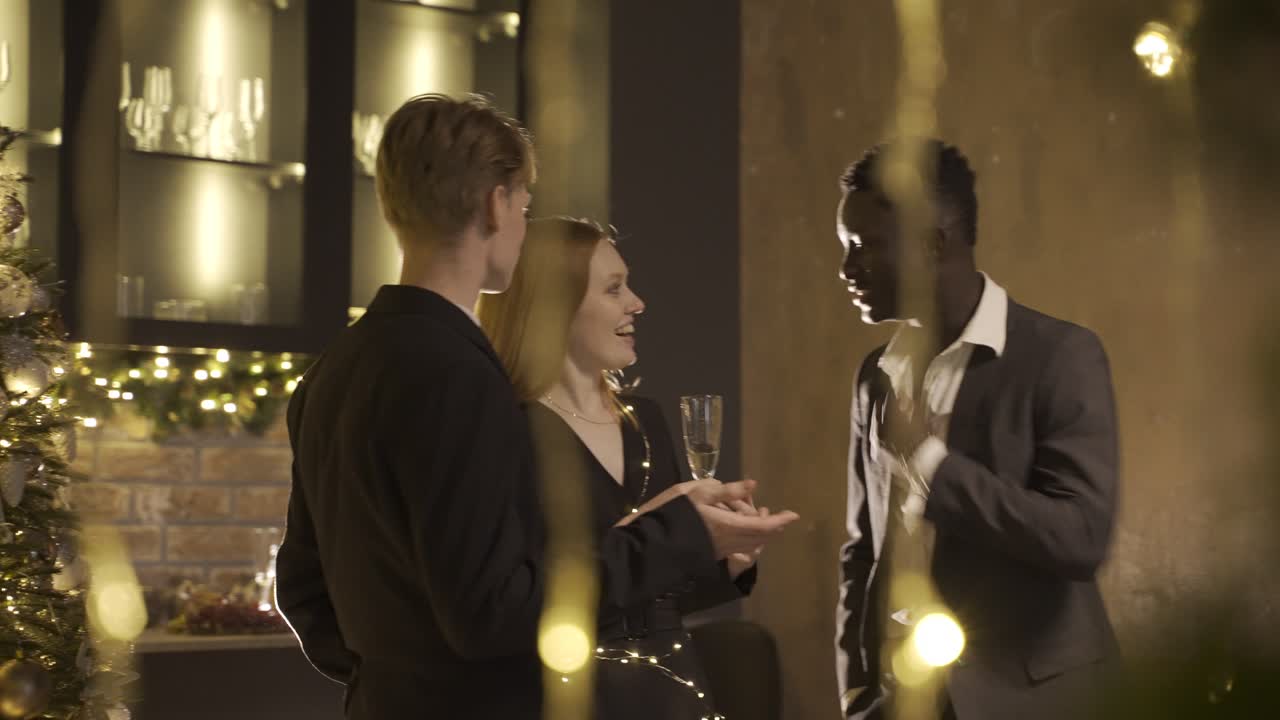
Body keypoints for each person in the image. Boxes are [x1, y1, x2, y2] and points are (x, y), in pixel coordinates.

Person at [274, 94, 797, 719]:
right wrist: (677, 531)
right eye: (524, 207)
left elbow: (304, 593)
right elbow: (496, 612)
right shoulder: (460, 376)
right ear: (497, 203)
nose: (523, 226)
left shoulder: (332, 370)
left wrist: (398, 682)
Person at [833, 139, 1120, 720]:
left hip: (1037, 702)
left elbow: (1081, 537)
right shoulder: (876, 376)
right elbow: (863, 549)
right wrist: (857, 691)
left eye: (863, 247)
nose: (847, 268)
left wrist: (930, 463)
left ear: (933, 243)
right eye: (845, 248)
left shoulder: (1061, 356)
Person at [478, 217, 772, 719]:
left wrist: (727, 563)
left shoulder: (646, 421)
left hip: (672, 696)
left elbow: (657, 599)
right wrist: (650, 533)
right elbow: (513, 605)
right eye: (614, 289)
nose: (637, 303)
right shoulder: (507, 433)